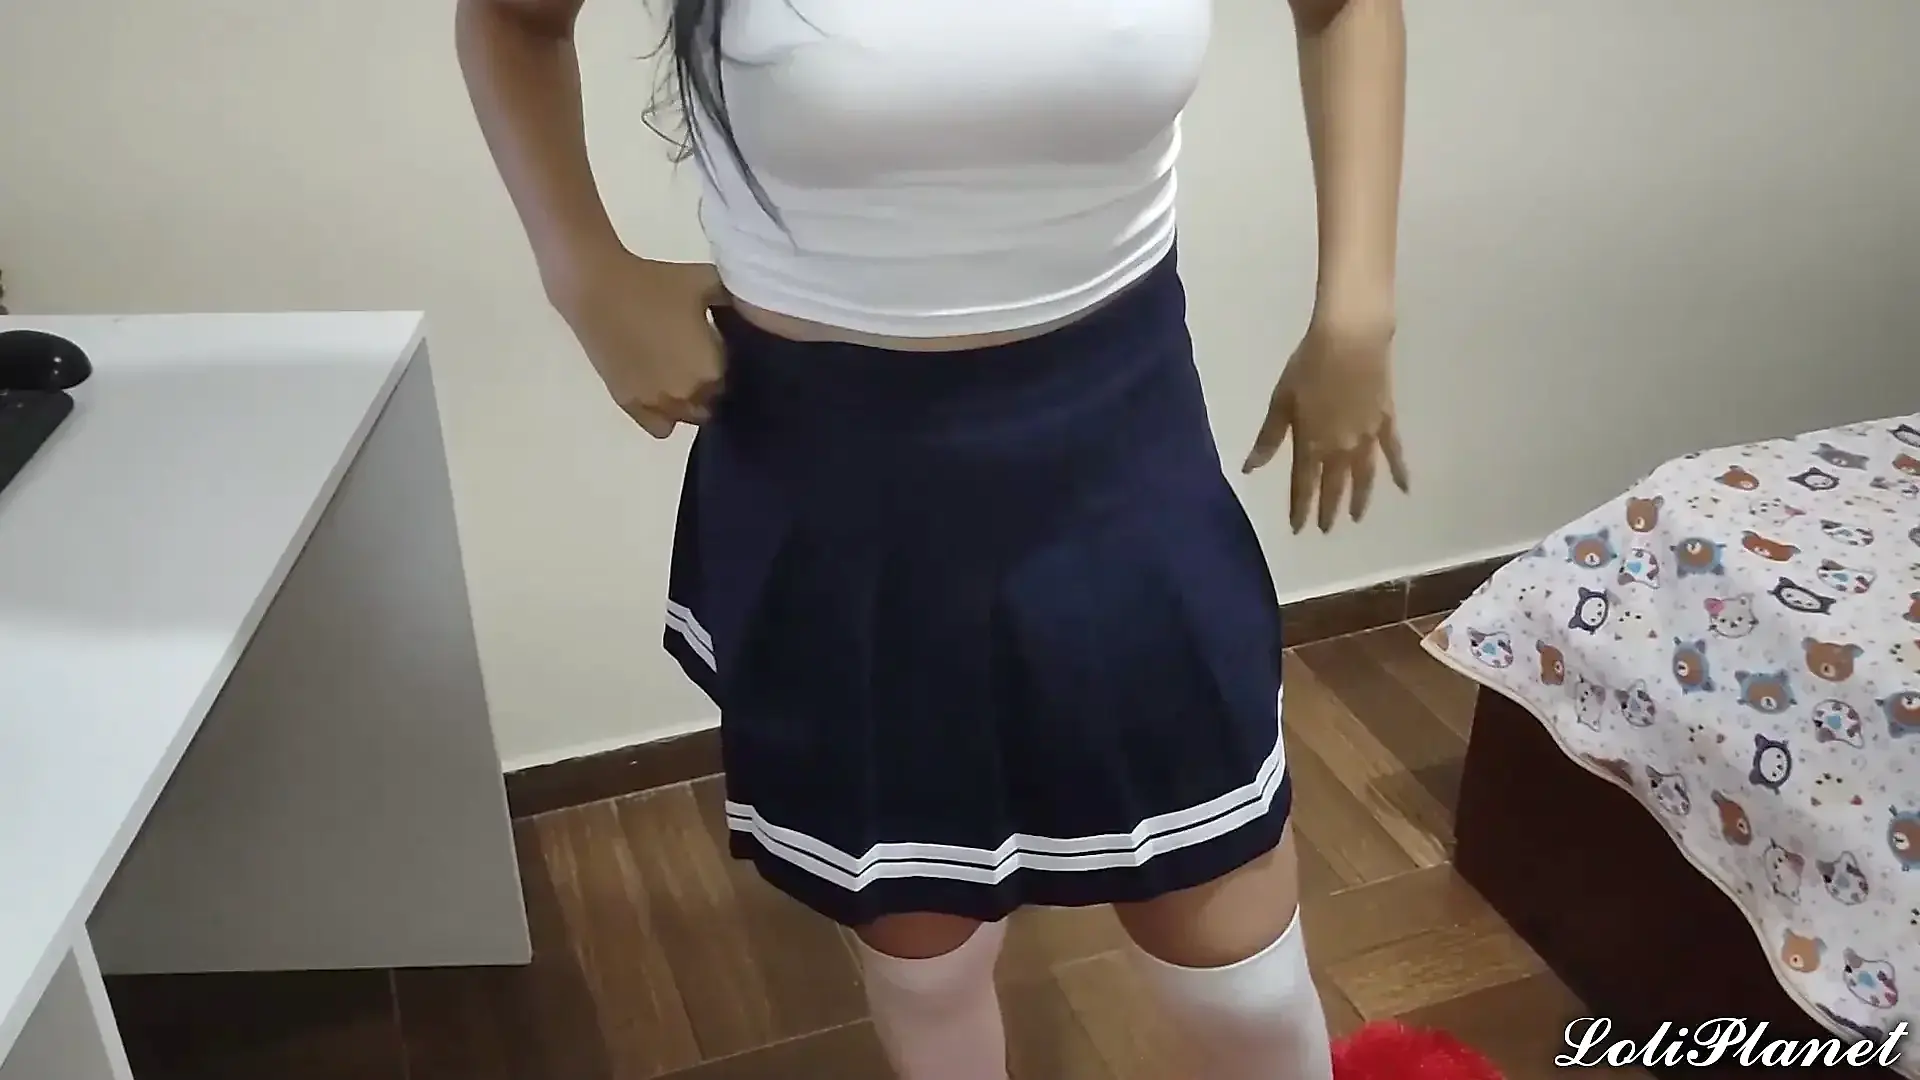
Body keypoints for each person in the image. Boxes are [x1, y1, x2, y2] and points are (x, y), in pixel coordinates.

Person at [456, 0, 1407, 1076]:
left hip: (1120, 446)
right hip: (845, 492)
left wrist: (1357, 315)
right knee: (927, 960)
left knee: (1238, 967)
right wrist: (583, 274)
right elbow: (512, 18)